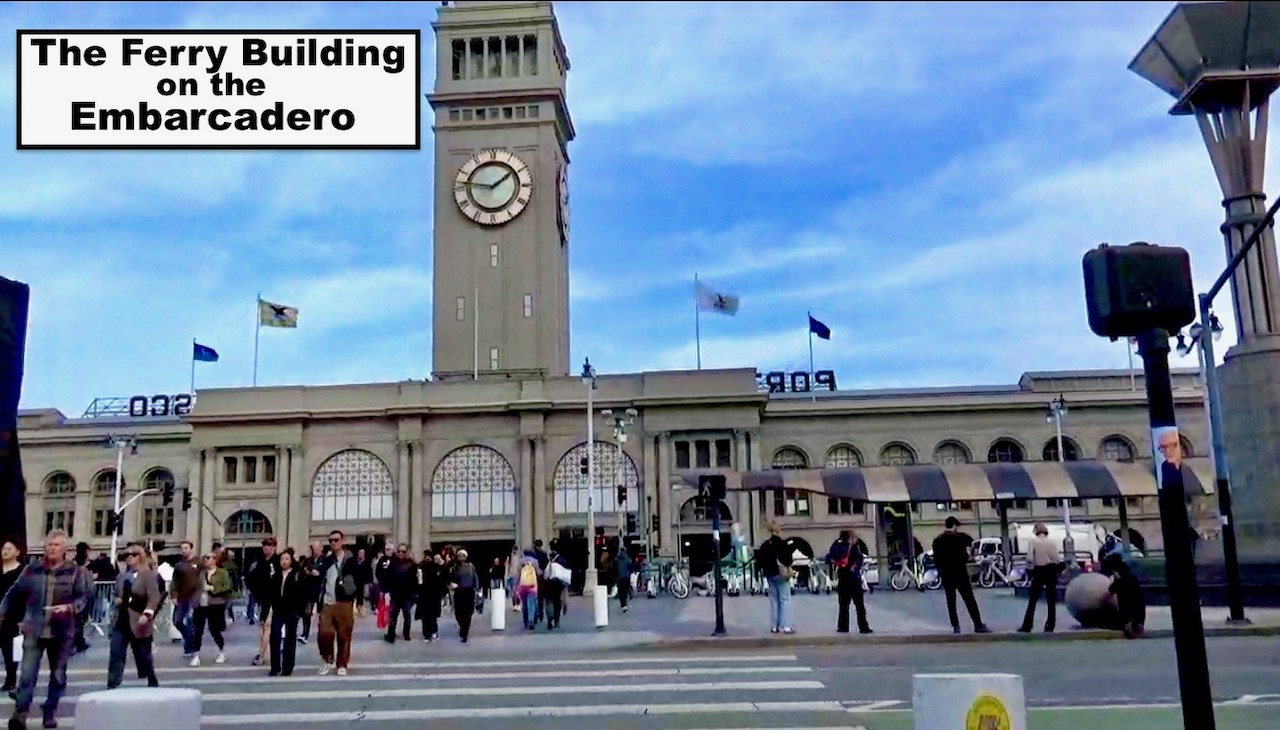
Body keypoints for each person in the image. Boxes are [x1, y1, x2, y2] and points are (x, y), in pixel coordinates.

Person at [0, 529, 92, 730]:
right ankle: (20, 716)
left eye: (56, 545)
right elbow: (13, 592)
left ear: (64, 549)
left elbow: (84, 598)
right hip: (34, 628)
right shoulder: (32, 569)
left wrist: (69, 608)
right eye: (49, 545)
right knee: (26, 676)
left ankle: (50, 711)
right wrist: (2, 612)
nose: (51, 548)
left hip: (62, 632)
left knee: (58, 675)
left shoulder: (77, 572)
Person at [106, 546, 161, 689]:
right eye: (126, 555)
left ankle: (151, 680)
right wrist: (117, 601)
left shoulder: (148, 575)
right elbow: (115, 595)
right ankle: (112, 684)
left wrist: (147, 613)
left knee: (143, 655)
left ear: (140, 557)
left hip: (138, 620)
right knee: (116, 652)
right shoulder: (121, 576)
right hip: (121, 619)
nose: (129, 557)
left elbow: (154, 597)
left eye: (133, 555)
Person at [932, 517, 990, 634]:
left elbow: (936, 559)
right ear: (954, 526)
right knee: (969, 599)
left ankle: (956, 626)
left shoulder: (937, 540)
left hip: (946, 574)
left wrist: (941, 571)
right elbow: (965, 556)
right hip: (960, 573)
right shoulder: (960, 538)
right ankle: (977, 624)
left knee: (951, 600)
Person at [314, 530, 360, 676]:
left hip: (344, 601)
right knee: (324, 634)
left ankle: (342, 663)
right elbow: (320, 574)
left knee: (344, 635)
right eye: (331, 541)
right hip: (327, 602)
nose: (333, 543)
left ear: (342, 541)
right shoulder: (327, 560)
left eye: (336, 540)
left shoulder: (351, 560)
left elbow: (359, 580)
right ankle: (328, 659)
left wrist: (359, 603)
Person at [268, 549, 307, 676]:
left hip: (292, 610)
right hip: (278, 610)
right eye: (282, 559)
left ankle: (287, 667)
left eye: (286, 559)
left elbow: (302, 594)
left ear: (291, 561)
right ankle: (275, 666)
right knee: (274, 637)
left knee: (290, 639)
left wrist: (300, 611)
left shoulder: (297, 574)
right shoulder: (276, 575)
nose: (284, 562)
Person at [1018, 523, 1063, 633]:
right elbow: (1057, 559)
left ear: (1036, 531)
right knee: (1051, 600)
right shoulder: (1052, 542)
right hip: (1051, 571)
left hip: (1039, 571)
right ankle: (1050, 624)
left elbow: (1030, 558)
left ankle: (1027, 625)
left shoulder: (1033, 542)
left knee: (1033, 600)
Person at [190, 551, 232, 667]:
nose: (206, 560)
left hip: (215, 604)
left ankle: (222, 651)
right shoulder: (201, 573)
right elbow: (195, 587)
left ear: (215, 559)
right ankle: (196, 655)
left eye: (208, 558)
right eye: (204, 558)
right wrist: (194, 601)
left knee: (214, 629)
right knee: (198, 630)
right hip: (201, 604)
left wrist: (212, 588)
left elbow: (227, 586)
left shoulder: (222, 573)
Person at [829, 530, 872, 634]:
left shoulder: (836, 547)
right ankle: (863, 627)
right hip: (853, 579)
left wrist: (835, 562)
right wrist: (854, 566)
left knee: (843, 605)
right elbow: (860, 558)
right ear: (849, 538)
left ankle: (843, 627)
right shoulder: (853, 548)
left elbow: (828, 558)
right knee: (859, 605)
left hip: (842, 578)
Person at [247, 538, 280, 666]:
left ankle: (261, 654)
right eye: (264, 545)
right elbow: (251, 577)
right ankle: (265, 652)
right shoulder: (258, 561)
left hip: (274, 599)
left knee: (267, 626)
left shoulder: (277, 562)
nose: (266, 547)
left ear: (274, 547)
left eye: (269, 545)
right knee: (264, 627)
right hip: (262, 599)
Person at [758, 521, 794, 634]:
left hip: (770, 574)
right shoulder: (783, 544)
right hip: (781, 574)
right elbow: (788, 560)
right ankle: (786, 626)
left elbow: (759, 560)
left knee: (774, 601)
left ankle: (775, 626)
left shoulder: (765, 545)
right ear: (778, 531)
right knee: (784, 599)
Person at [0, 540, 25, 695]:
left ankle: (10, 680)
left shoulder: (22, 571)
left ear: (17, 552)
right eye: (3, 548)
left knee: (9, 649)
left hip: (13, 615)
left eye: (9, 549)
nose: (5, 551)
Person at [170, 541, 202, 660]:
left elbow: (202, 578)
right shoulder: (179, 565)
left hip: (194, 597)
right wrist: (173, 595)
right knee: (177, 621)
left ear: (191, 549)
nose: (183, 550)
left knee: (190, 621)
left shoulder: (199, 562)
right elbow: (175, 581)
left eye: (186, 548)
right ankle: (189, 640)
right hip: (182, 597)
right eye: (182, 548)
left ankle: (189, 647)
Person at [1102, 553, 1146, 639]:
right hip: (1134, 606)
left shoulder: (1120, 576)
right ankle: (1135, 627)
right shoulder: (1125, 574)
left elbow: (1114, 588)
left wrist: (1104, 598)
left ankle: (1133, 627)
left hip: (1129, 607)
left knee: (1129, 619)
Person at [383, 544, 416, 644]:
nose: (401, 553)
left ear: (407, 552)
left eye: (403, 551)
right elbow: (388, 578)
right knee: (393, 616)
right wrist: (386, 591)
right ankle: (391, 635)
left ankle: (406, 634)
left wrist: (414, 593)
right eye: (399, 551)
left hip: (407, 594)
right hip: (395, 593)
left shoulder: (412, 564)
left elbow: (414, 580)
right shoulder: (393, 563)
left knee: (407, 615)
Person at [450, 549, 479, 642]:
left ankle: (464, 632)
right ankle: (462, 626)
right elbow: (450, 579)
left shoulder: (471, 566)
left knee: (468, 612)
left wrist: (477, 589)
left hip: (469, 591)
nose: (461, 557)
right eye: (460, 555)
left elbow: (475, 578)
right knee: (458, 612)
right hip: (459, 591)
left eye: (463, 555)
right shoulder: (454, 568)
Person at [416, 549, 444, 642]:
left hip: (434, 595)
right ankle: (426, 634)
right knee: (425, 617)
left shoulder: (436, 567)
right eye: (426, 556)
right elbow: (417, 581)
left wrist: (442, 563)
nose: (427, 558)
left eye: (429, 556)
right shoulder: (420, 567)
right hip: (423, 595)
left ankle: (433, 632)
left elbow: (443, 576)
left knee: (433, 617)